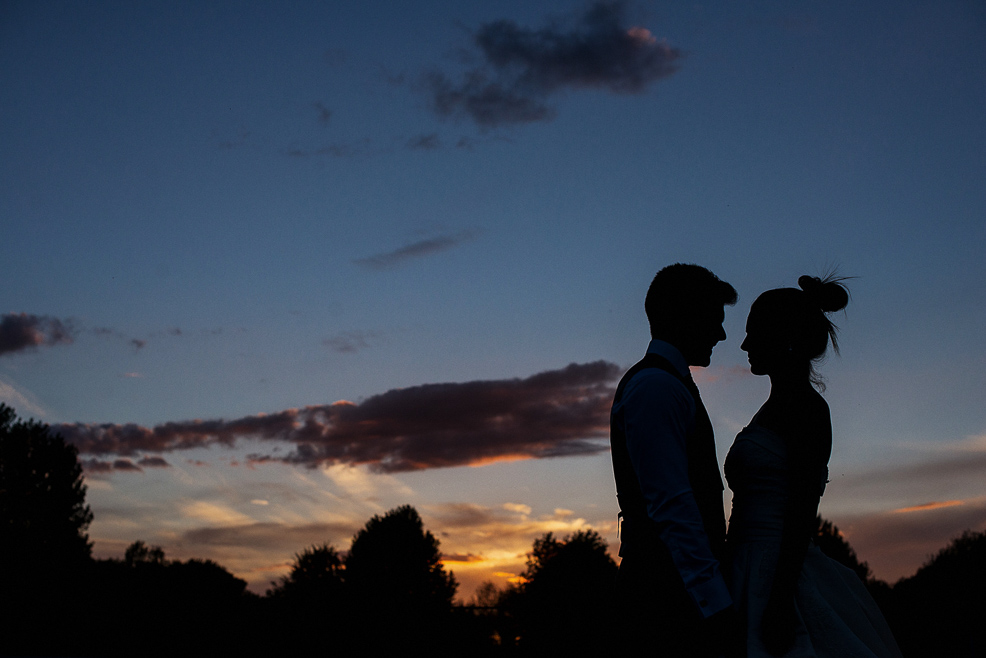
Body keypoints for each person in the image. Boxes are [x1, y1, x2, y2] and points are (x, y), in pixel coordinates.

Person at [725, 276, 901, 657]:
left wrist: (780, 598)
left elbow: (803, 511)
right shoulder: (771, 410)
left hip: (776, 575)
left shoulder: (806, 410)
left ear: (783, 338)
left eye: (753, 333)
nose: (744, 345)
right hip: (744, 564)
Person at [611, 263, 738, 657]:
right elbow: (671, 505)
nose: (721, 334)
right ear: (686, 315)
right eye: (714, 320)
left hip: (673, 588)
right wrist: (714, 602)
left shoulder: (669, 383)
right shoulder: (657, 387)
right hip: (665, 595)